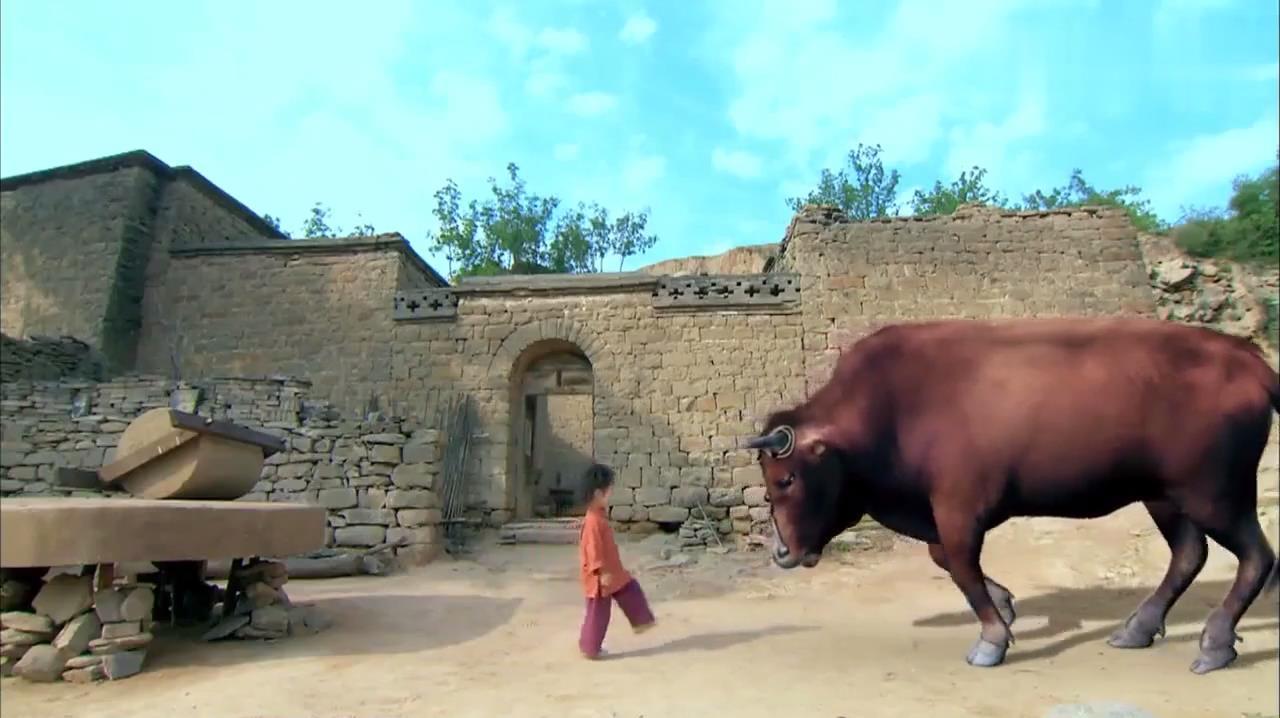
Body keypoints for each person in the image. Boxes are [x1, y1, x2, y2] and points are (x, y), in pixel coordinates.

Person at [577, 463, 656, 659]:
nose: (610, 496)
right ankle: (589, 647)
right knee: (598, 614)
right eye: (608, 492)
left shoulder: (599, 517)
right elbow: (592, 549)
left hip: (613, 572)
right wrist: (601, 572)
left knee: (630, 590)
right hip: (601, 577)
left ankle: (642, 620)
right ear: (598, 494)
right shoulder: (593, 521)